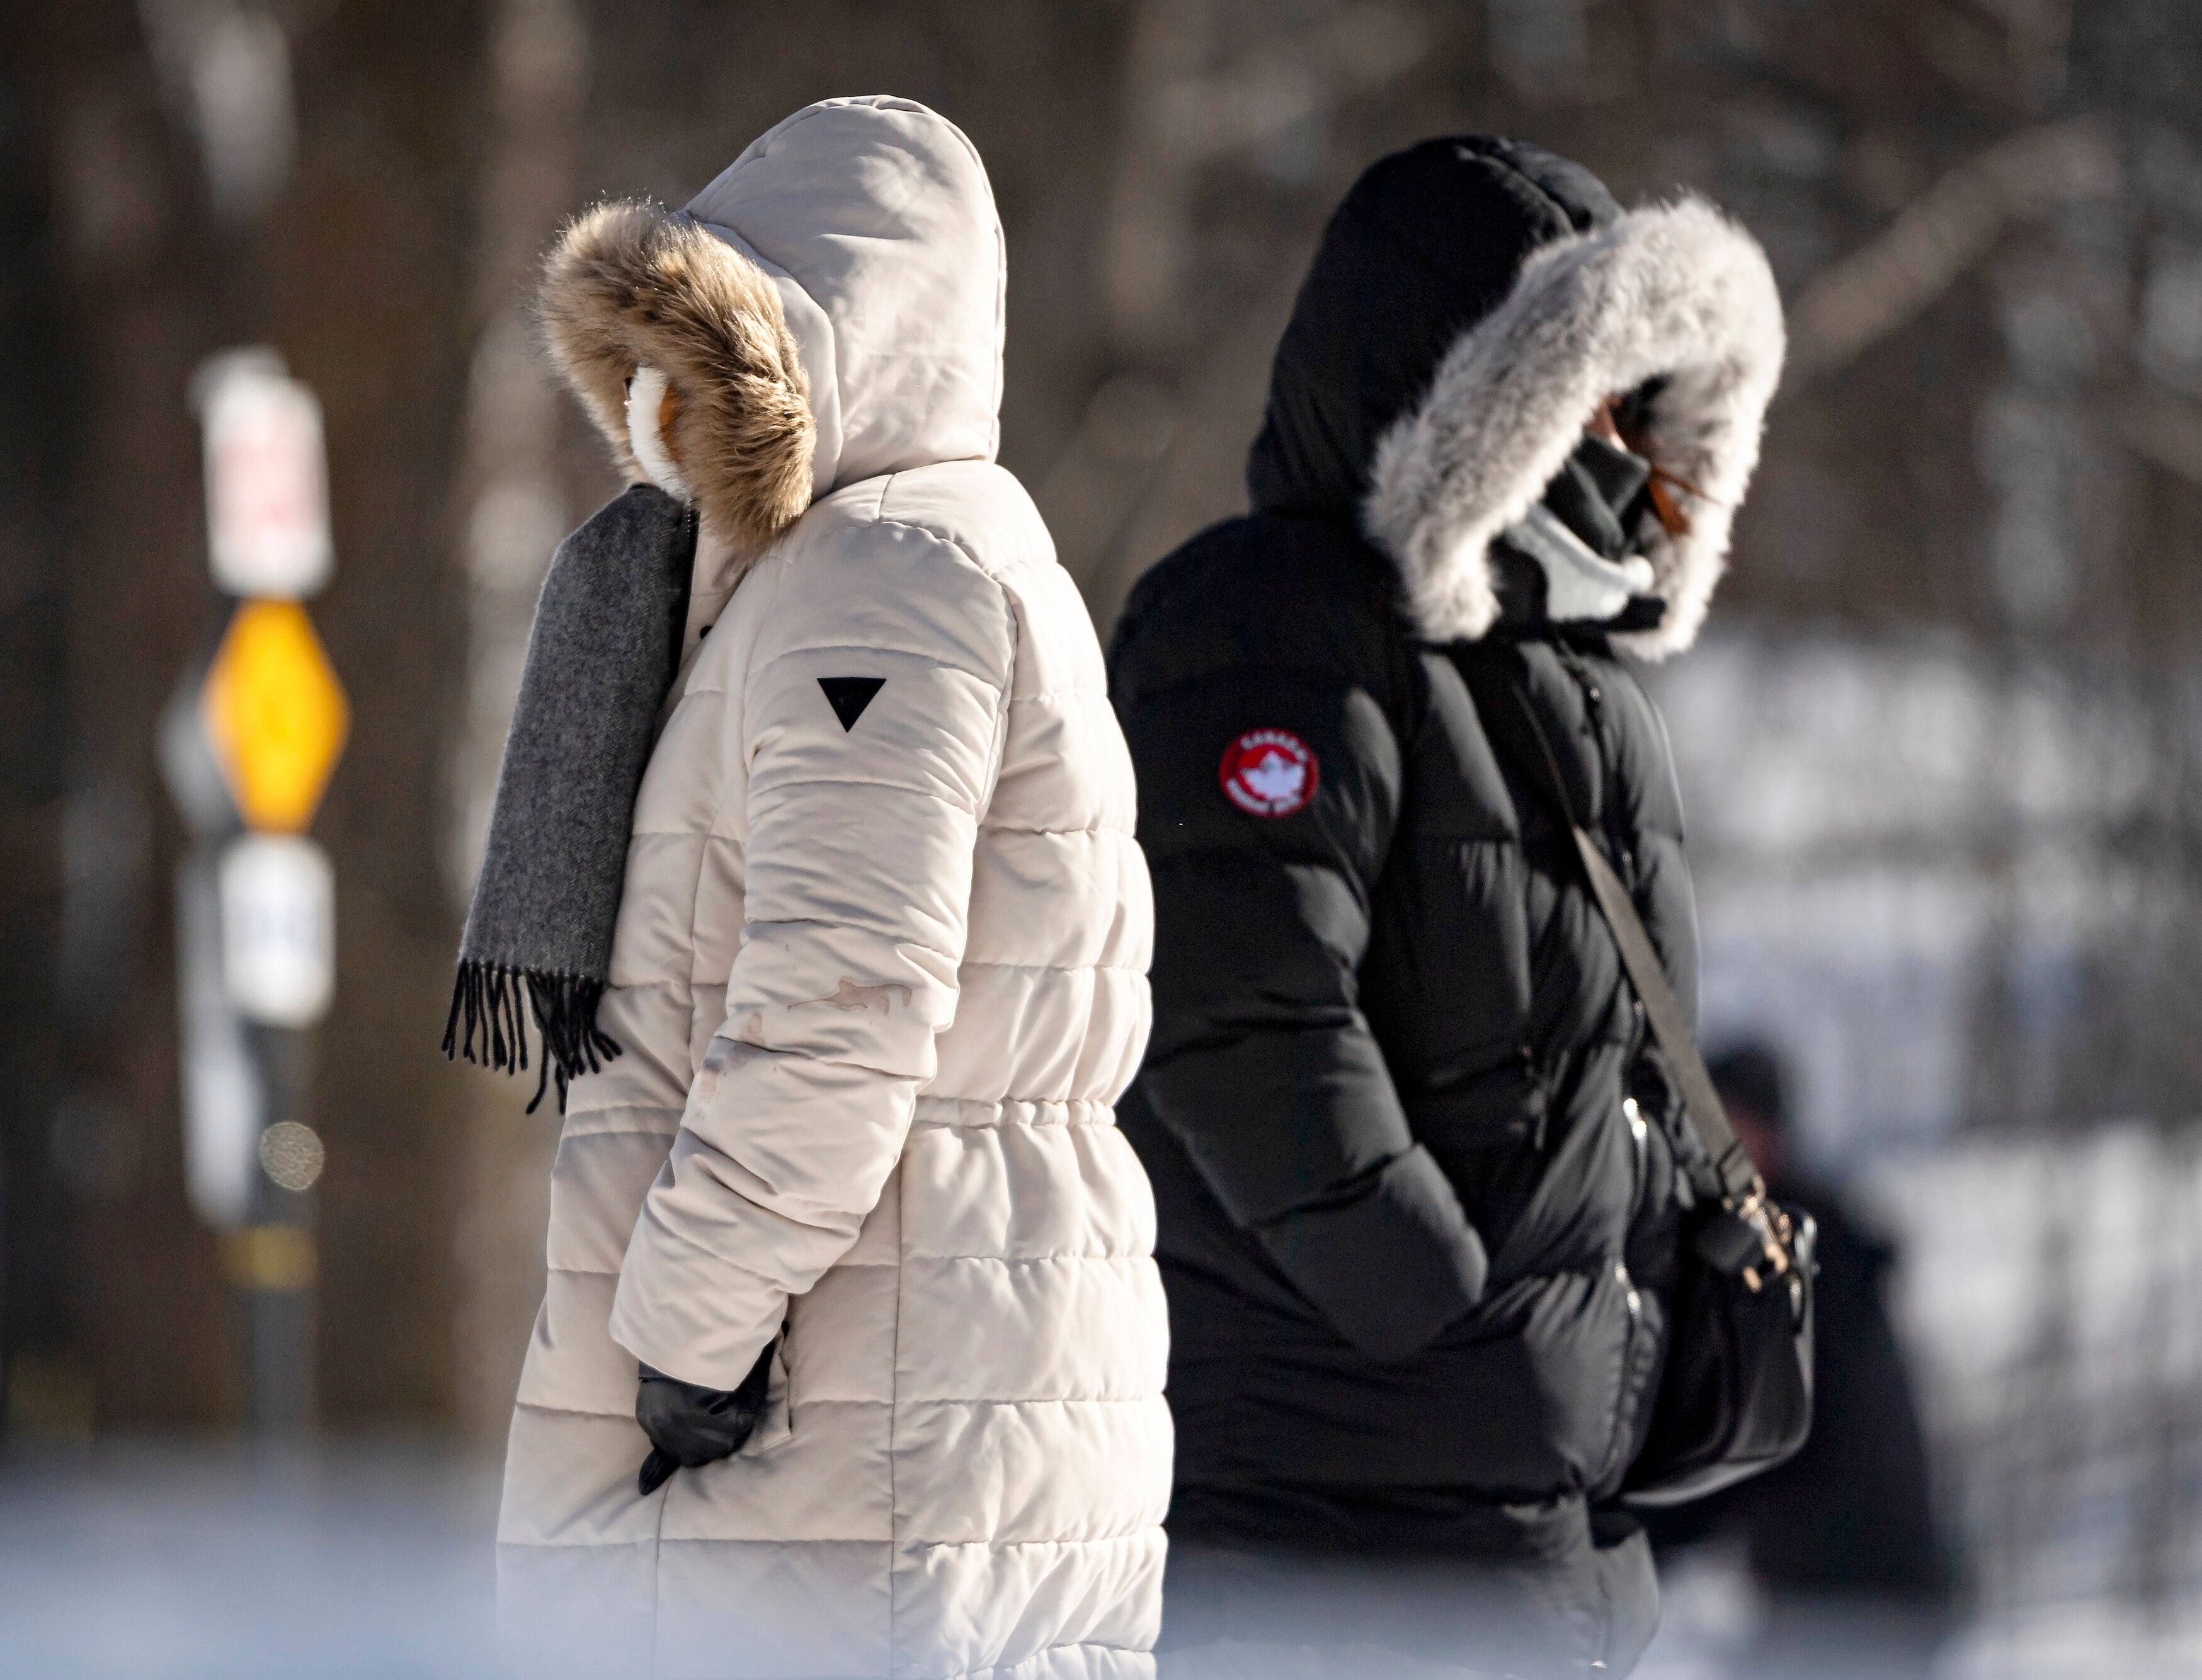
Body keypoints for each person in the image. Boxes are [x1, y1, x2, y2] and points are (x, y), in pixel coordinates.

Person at [456, 97, 1166, 1679]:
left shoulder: (881, 585)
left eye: (698, 360)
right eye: (640, 364)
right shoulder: (905, 570)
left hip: (837, 1417)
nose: (651, 412)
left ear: (824, 354)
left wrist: (684, 1343)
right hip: (916, 1390)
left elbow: (842, 1008)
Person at [1108, 136, 1785, 1677]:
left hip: (1544, 1536)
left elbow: (1619, 1077)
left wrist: (1665, 1301)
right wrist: (1426, 1304)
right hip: (1321, 1534)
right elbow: (1231, 1001)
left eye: (1650, 405)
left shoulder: (1578, 690)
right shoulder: (1271, 616)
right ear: (1471, 381)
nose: (1627, 447)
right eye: (1595, 393)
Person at [1645, 1044, 1954, 1675]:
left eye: (1730, 1127)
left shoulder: (1803, 1250)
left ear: (1768, 1132)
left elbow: (1776, 1434)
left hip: (1860, 1600)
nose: (1713, 1149)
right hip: (1830, 1595)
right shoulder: (1775, 1238)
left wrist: (1651, 1532)